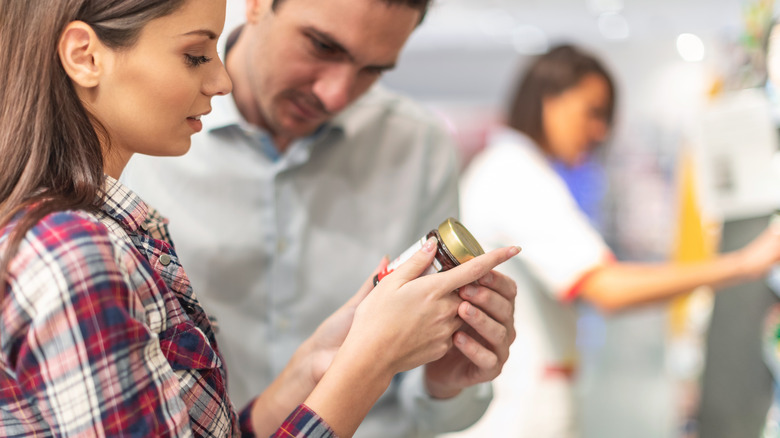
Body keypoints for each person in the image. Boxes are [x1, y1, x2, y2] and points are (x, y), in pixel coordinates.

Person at [0, 0, 521, 436]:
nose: (219, 79)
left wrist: (316, 366)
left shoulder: (418, 145)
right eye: (196, 55)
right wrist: (368, 362)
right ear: (85, 57)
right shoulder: (77, 248)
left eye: (371, 70)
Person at [452, 44, 780, 437]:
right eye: (592, 112)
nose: (599, 131)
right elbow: (607, 288)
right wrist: (743, 263)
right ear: (548, 99)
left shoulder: (514, 170)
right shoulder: (516, 176)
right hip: (520, 411)